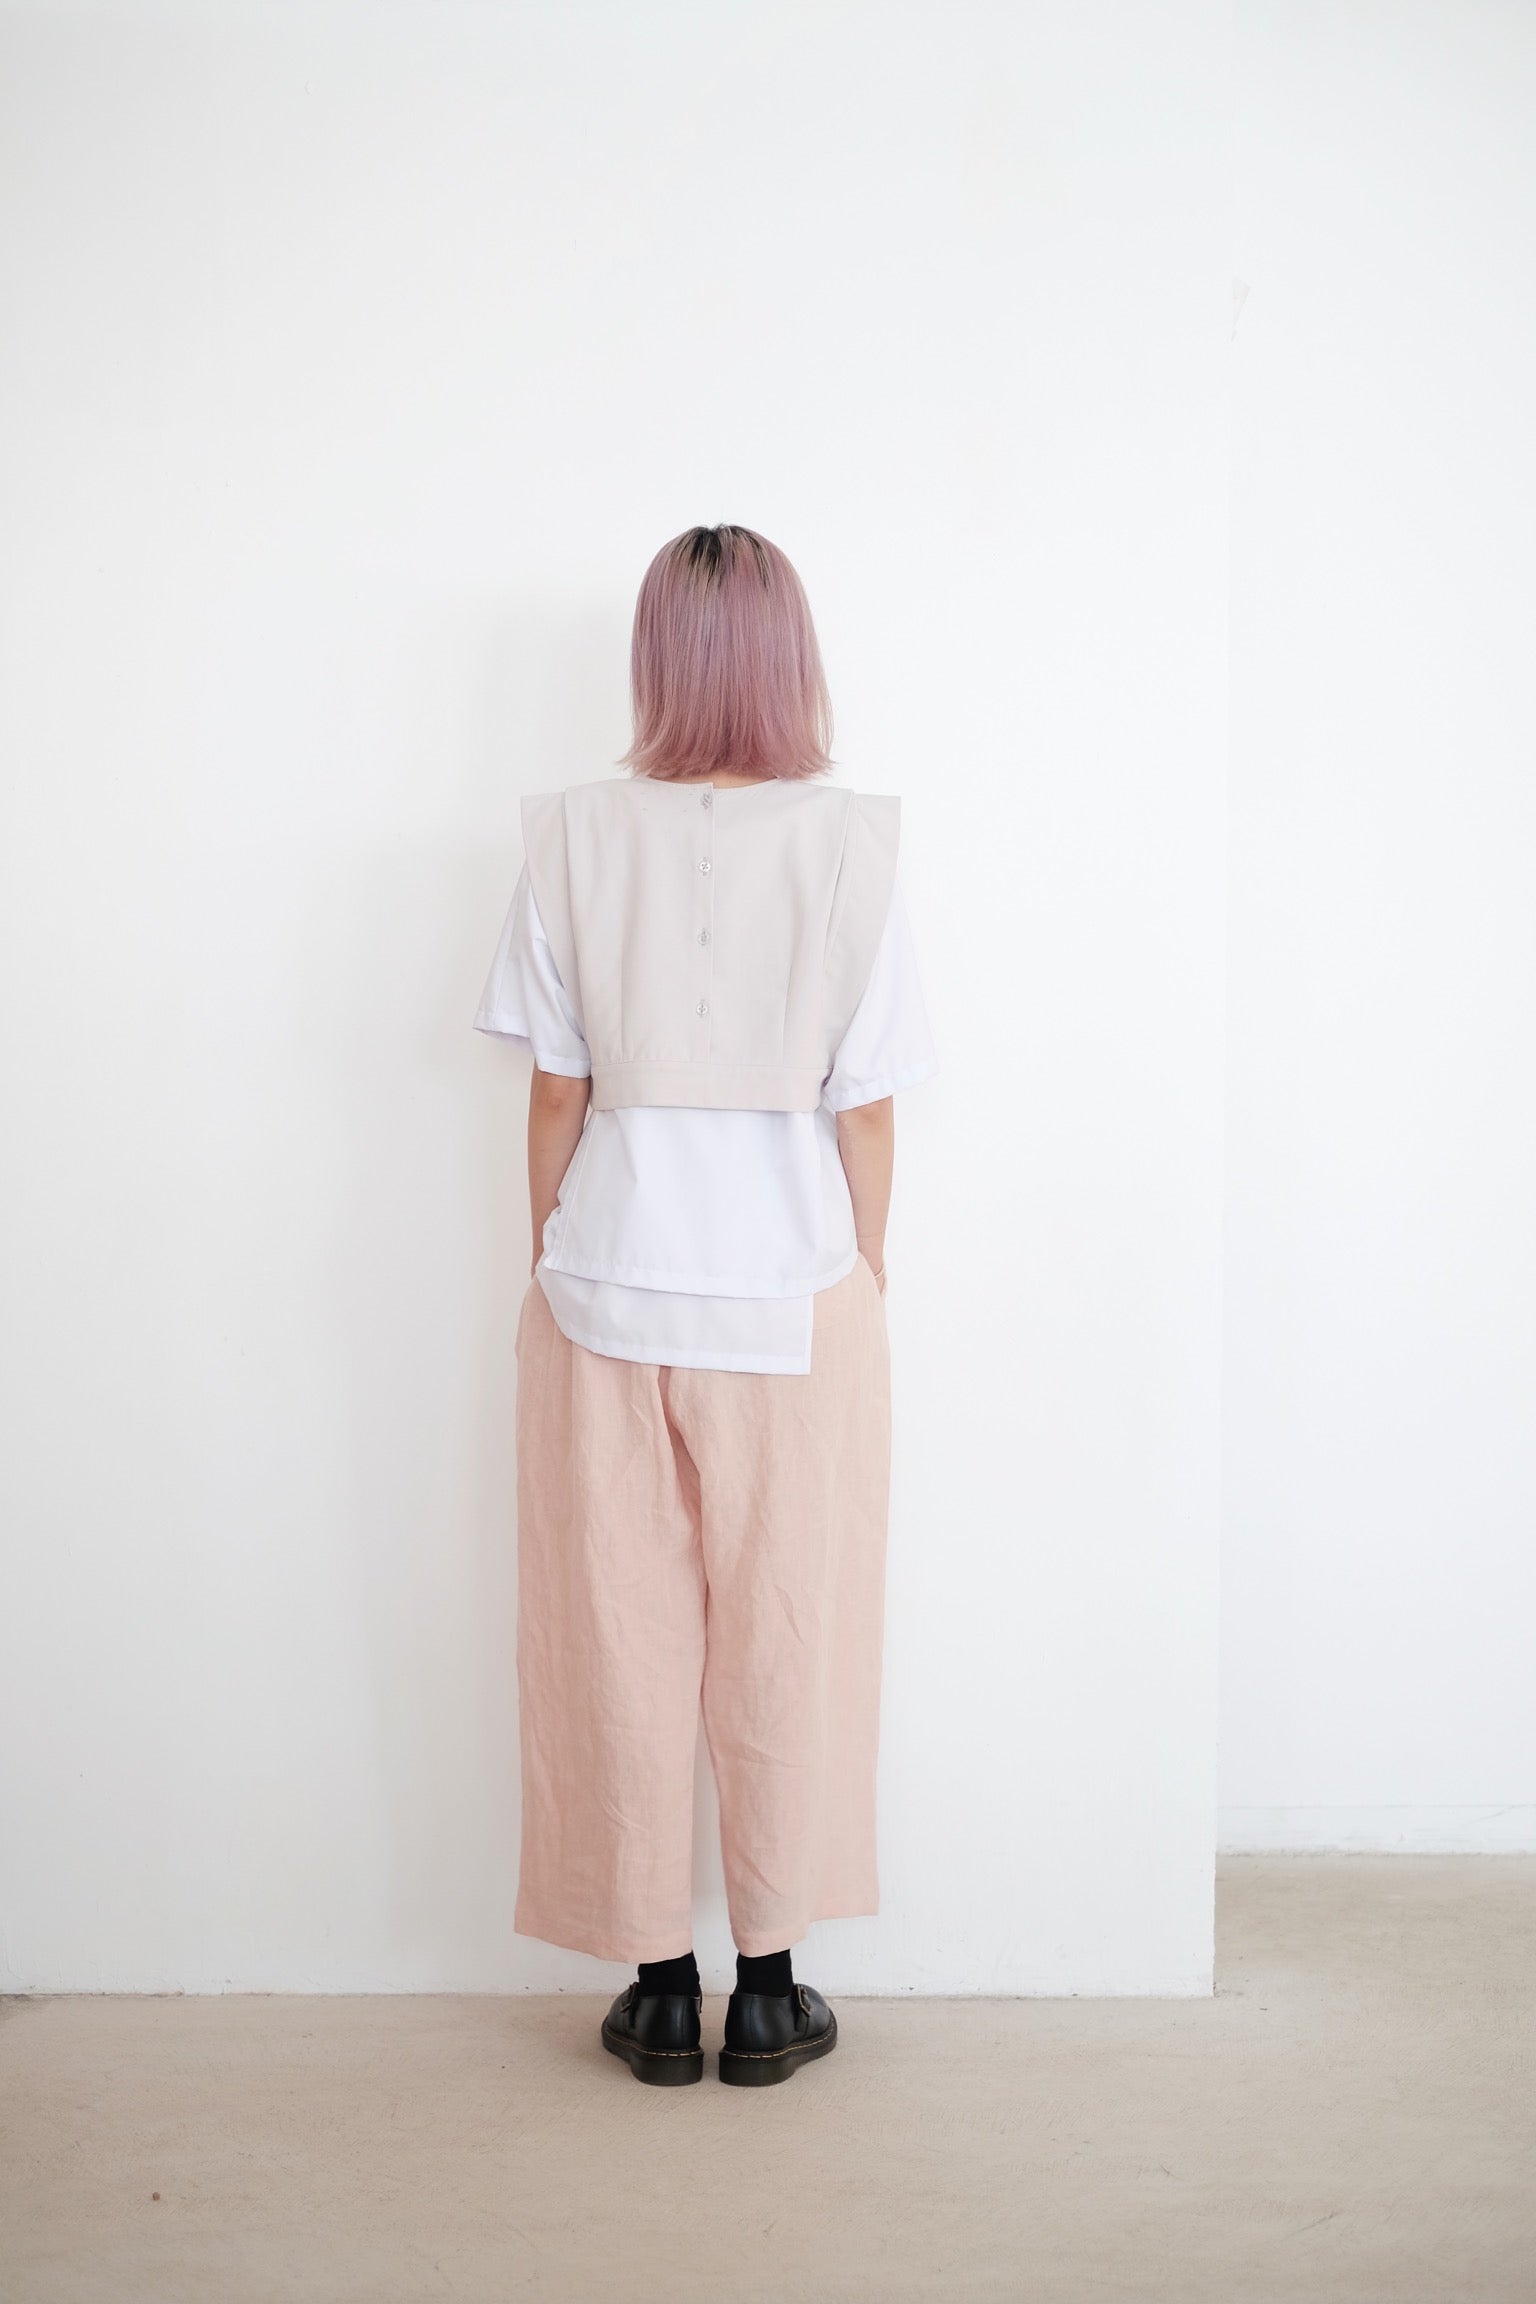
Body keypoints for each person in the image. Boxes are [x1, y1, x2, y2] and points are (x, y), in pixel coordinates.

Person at [474, 525, 938, 2087]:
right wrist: (869, 1262)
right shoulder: (853, 846)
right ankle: (774, 1987)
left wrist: (548, 1244)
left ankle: (659, 1988)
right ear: (789, 658)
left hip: (607, 1290)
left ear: (655, 659)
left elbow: (557, 1088)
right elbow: (867, 1105)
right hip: (793, 1299)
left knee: (613, 1631)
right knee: (789, 1634)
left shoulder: (569, 837)